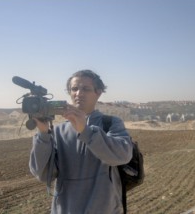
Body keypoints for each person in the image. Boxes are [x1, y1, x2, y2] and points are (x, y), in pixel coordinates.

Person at [29, 69, 133, 214]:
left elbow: (123, 155)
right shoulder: (58, 131)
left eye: (85, 89)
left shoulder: (110, 123)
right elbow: (44, 175)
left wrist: (85, 130)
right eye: (74, 89)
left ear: (98, 92)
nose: (78, 93)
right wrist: (43, 134)